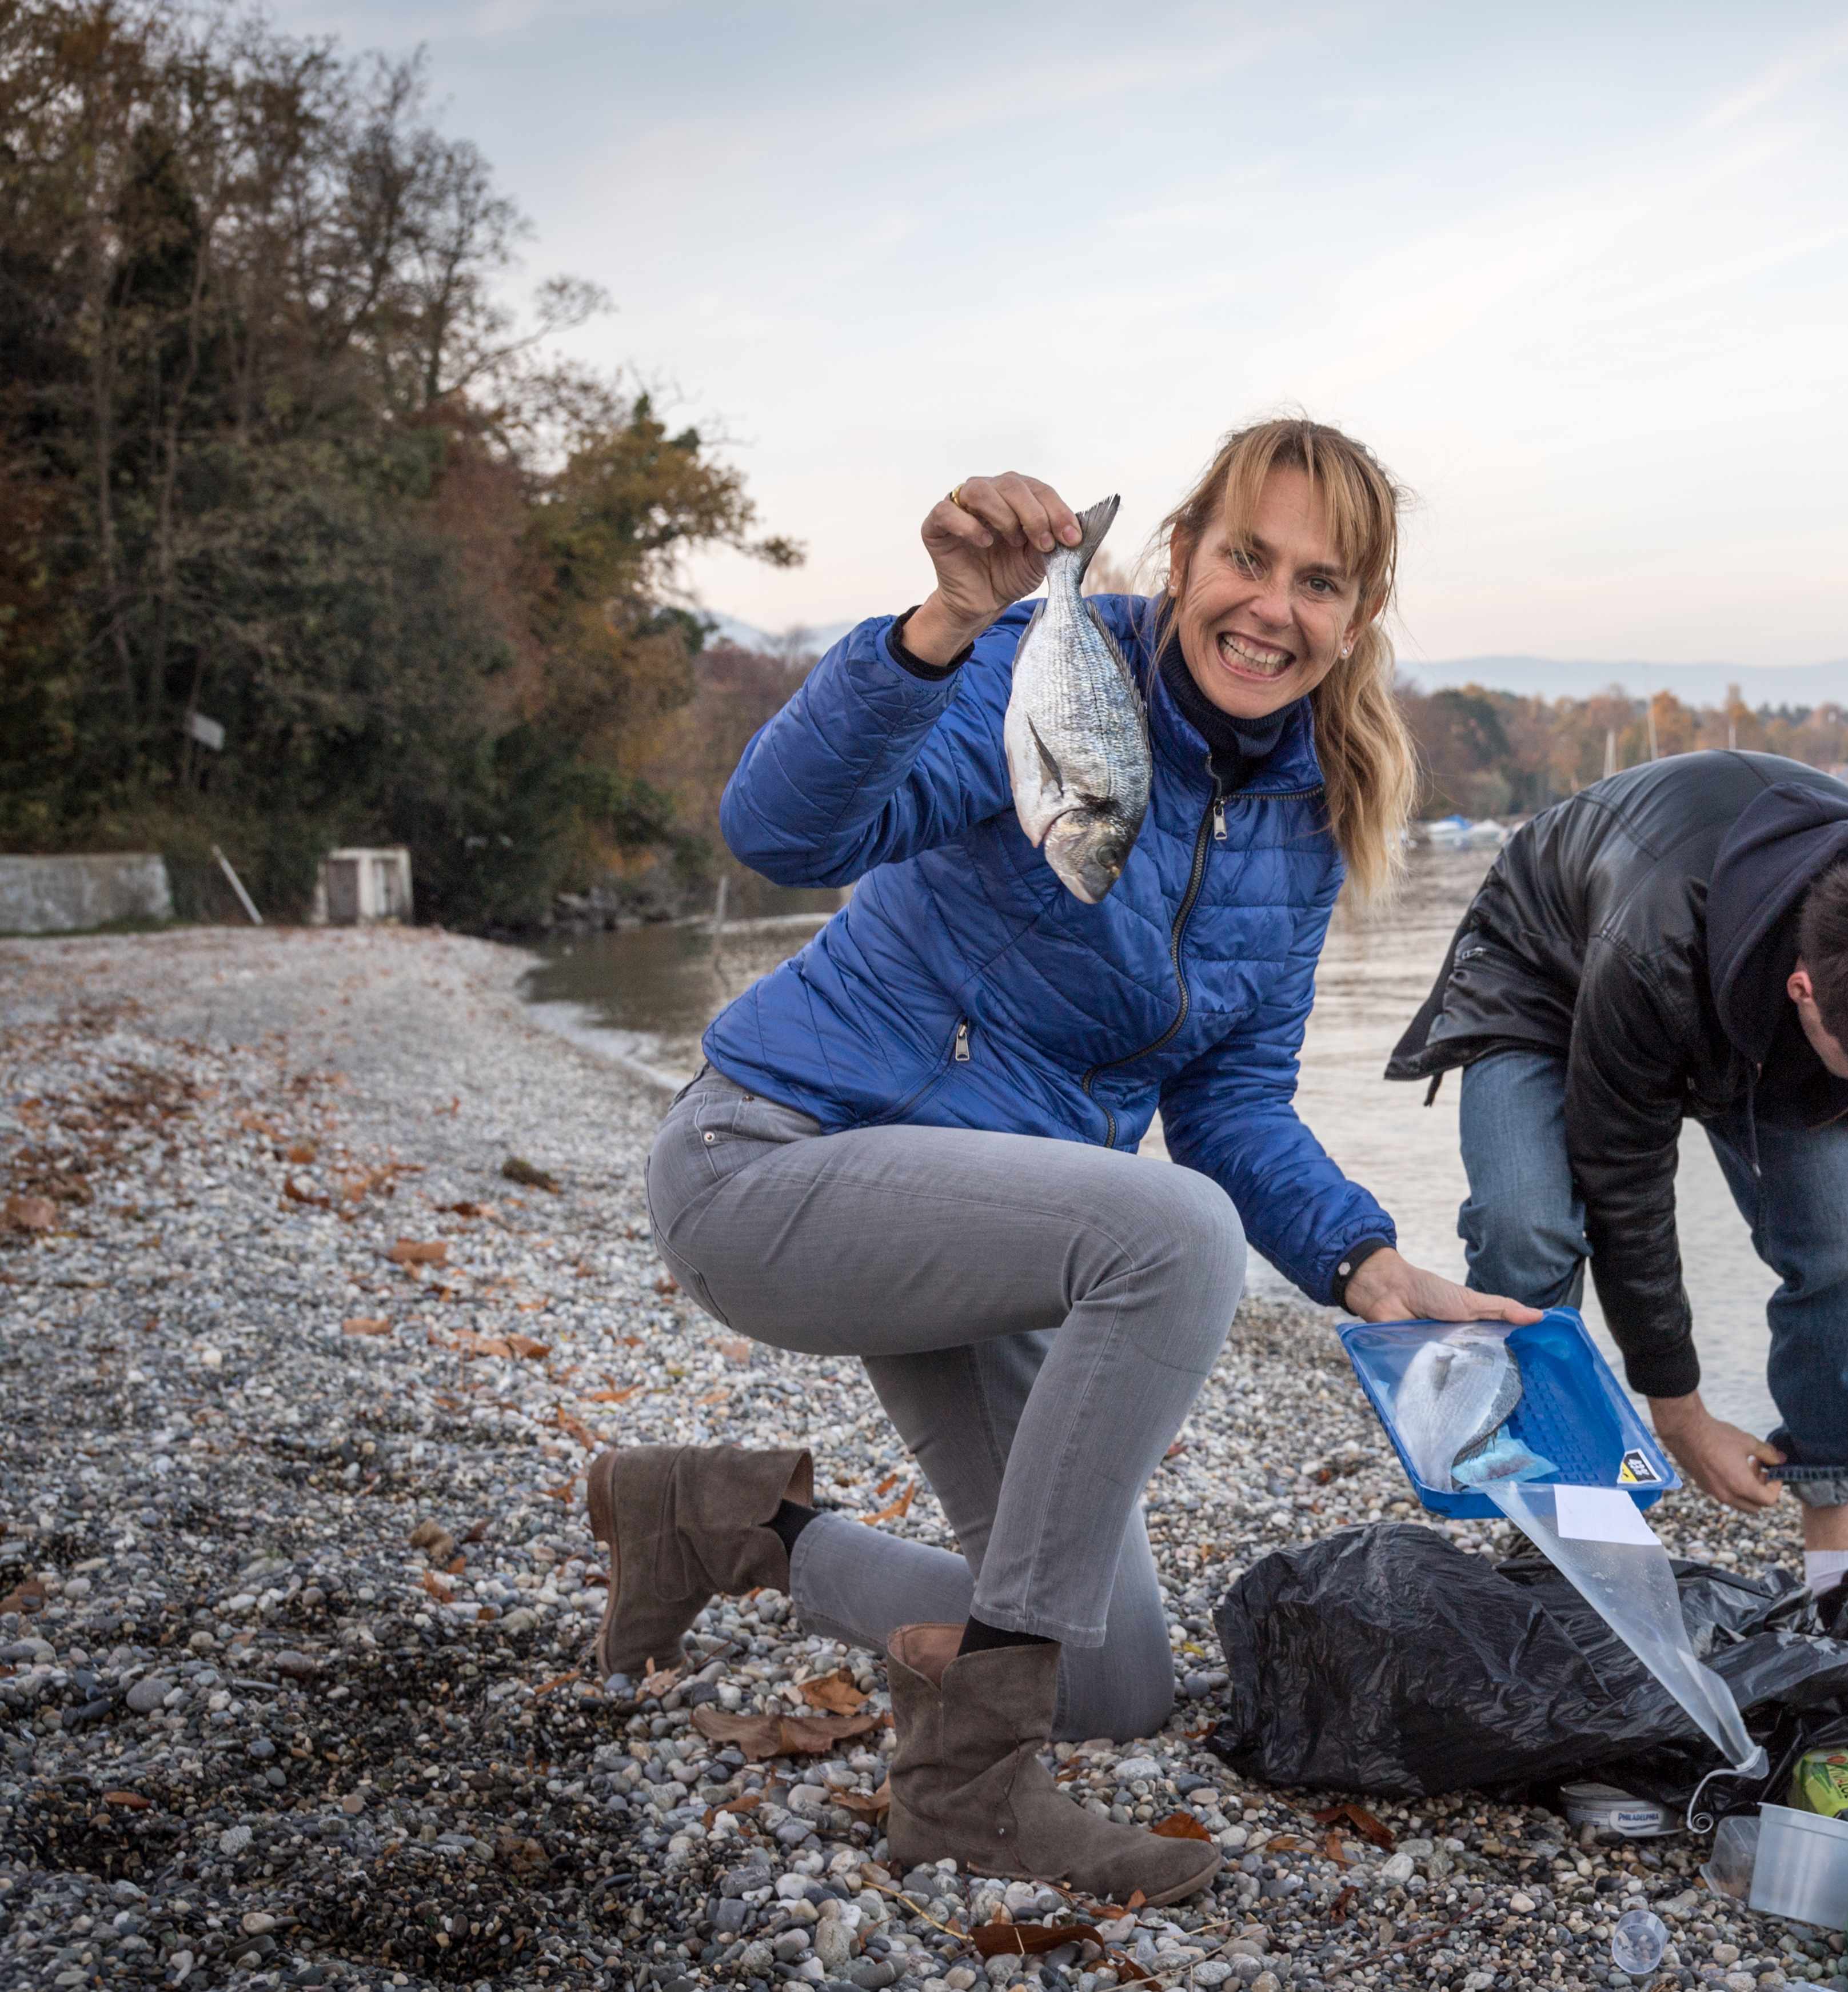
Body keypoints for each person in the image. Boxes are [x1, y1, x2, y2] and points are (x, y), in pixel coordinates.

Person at [596, 419, 1531, 1906]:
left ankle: (722, 1522)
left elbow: (1228, 1099)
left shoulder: (1305, 809)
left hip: (990, 1232)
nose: (1270, 605)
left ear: (1355, 617)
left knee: (1111, 1674)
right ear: (1180, 552)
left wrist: (1368, 1261)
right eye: (1245, 554)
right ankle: (964, 1789)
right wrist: (941, 626)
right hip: (776, 1155)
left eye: (1318, 580)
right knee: (1175, 1236)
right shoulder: (1051, 675)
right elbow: (779, 828)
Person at [1388, 752, 1848, 1595]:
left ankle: (1838, 1575)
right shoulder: (1655, 951)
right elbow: (1627, 1187)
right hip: (1550, 962)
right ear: (1806, 994)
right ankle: (1548, 1528)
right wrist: (1680, 1414)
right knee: (1526, 1227)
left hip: (1726, 977)